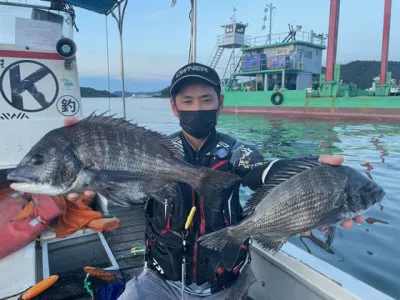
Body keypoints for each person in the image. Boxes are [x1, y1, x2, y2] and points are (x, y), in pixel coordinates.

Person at [65, 62, 363, 300]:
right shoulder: (151, 152)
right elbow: (129, 191)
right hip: (157, 281)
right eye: (188, 100)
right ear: (174, 107)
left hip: (224, 286)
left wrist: (315, 175)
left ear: (219, 103)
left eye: (205, 99)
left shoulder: (239, 153)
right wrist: (88, 193)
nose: (197, 108)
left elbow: (265, 171)